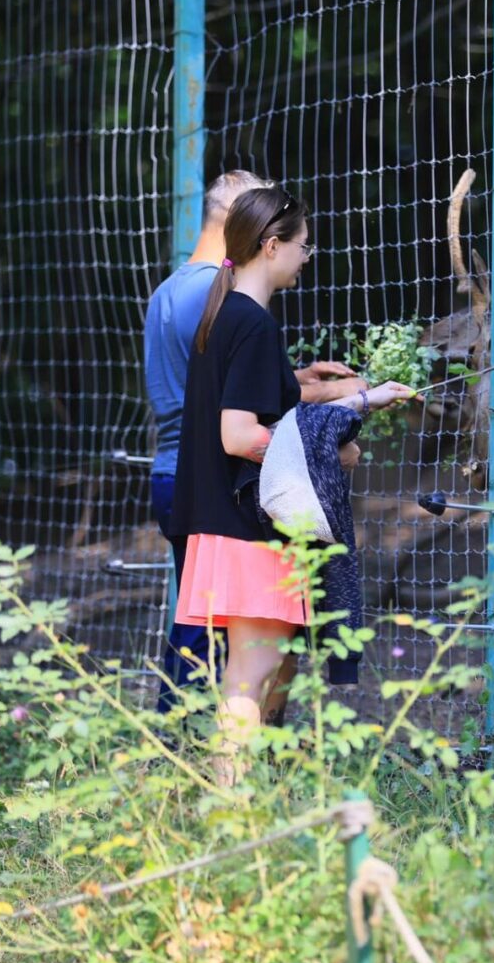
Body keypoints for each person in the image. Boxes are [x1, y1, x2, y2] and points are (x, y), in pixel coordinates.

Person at [169, 186, 416, 785]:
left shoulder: (225, 314)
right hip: (248, 528)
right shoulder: (251, 325)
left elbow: (267, 405)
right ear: (271, 246)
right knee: (249, 677)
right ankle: (227, 809)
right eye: (303, 246)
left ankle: (254, 797)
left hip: (223, 522)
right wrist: (325, 446)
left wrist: (348, 401)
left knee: (267, 668)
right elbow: (238, 434)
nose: (308, 256)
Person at [144, 171, 366, 713]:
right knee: (229, 651)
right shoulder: (221, 299)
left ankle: (192, 753)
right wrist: (322, 430)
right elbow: (235, 416)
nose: (304, 252)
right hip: (223, 484)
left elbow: (223, 382)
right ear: (254, 228)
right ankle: (193, 751)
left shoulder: (175, 289)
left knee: (212, 638)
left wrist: (303, 382)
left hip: (178, 471)